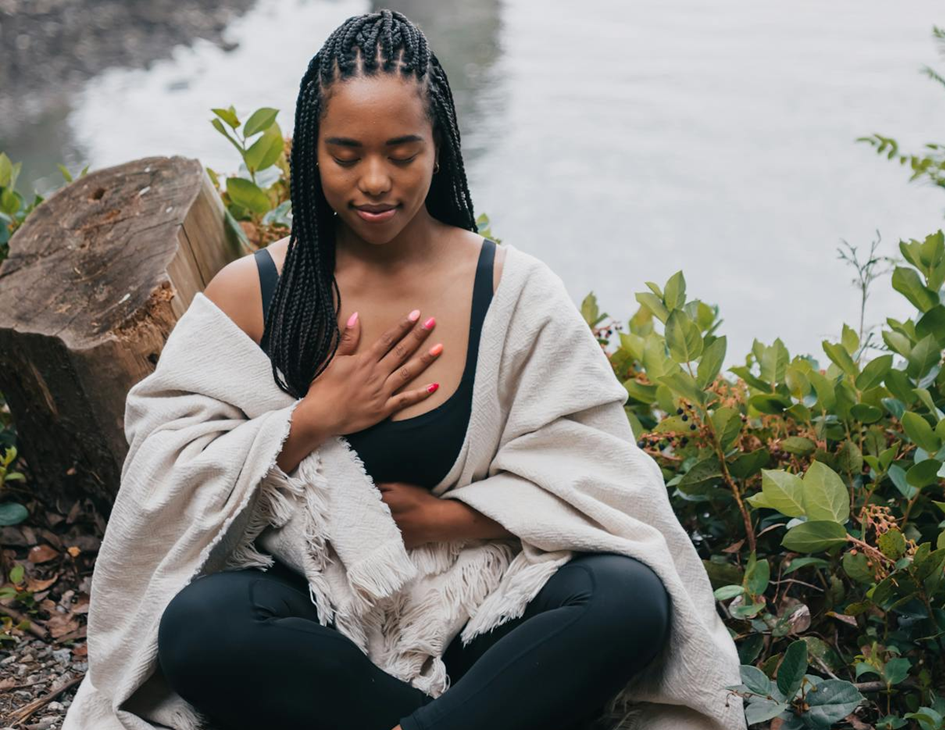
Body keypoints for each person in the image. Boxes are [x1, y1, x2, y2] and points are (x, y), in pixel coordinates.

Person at [155, 10, 671, 730]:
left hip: (478, 613)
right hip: (319, 612)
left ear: (441, 146)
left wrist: (449, 518)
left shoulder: (513, 292)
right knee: (199, 628)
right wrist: (312, 420)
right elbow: (167, 483)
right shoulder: (252, 295)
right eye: (345, 155)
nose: (375, 182)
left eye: (402, 154)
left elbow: (603, 480)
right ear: (309, 153)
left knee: (628, 597)